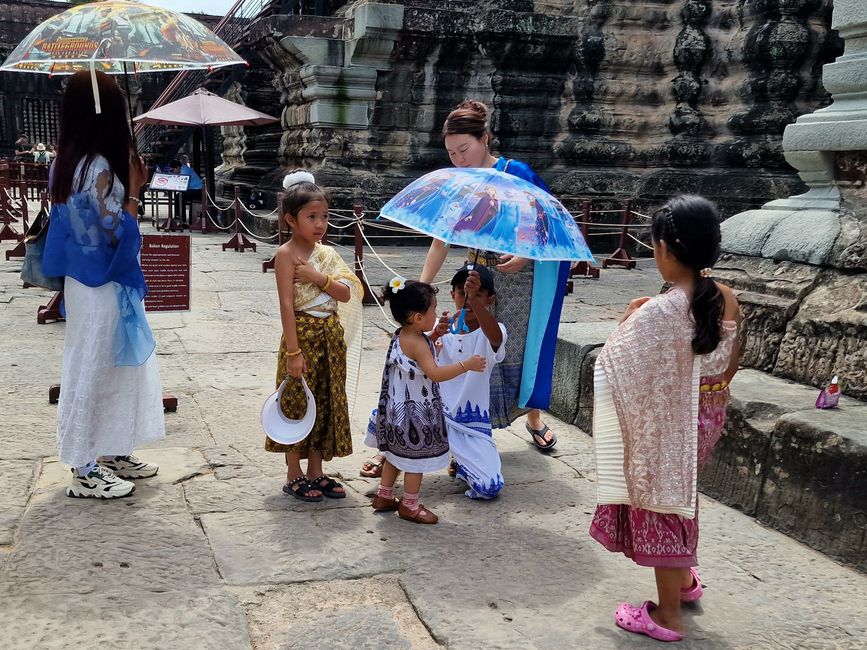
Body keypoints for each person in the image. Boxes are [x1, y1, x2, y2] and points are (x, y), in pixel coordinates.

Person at [359, 100, 566, 478]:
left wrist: (524, 255)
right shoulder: (461, 184)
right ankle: (466, 434)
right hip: (477, 279)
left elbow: (545, 220)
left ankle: (532, 419)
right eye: (451, 153)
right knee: (468, 346)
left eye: (464, 149)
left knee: (516, 347)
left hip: (520, 282)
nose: (458, 159)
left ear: (484, 138)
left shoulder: (515, 173)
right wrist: (420, 285)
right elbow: (441, 240)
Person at [588, 195, 741, 642]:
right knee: (683, 497)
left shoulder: (660, 311)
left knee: (660, 506)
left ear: (664, 250)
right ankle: (687, 581)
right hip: (707, 417)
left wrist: (629, 319)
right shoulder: (727, 297)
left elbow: (613, 363)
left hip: (669, 424)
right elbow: (727, 368)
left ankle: (667, 615)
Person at [42, 70, 164, 499]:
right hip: (105, 282)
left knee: (105, 361)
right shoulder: (99, 168)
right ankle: (84, 464)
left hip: (83, 280)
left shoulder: (65, 161)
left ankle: (109, 448)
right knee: (98, 365)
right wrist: (134, 191)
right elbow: (118, 236)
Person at [269, 170, 364, 501]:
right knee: (296, 401)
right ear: (291, 220)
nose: (320, 224)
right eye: (312, 217)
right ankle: (294, 473)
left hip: (330, 336)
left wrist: (315, 276)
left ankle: (316, 471)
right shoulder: (285, 254)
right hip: (302, 336)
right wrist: (293, 352)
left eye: (324, 216)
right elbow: (285, 304)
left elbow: (347, 293)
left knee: (325, 400)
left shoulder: (327, 255)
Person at [364, 279, 487, 524]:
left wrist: (436, 333)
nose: (435, 313)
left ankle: (384, 494)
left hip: (396, 411)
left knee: (394, 454)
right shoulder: (419, 343)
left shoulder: (404, 335)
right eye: (432, 310)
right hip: (416, 415)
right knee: (414, 460)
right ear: (418, 317)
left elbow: (418, 356)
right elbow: (435, 373)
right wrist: (467, 365)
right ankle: (410, 504)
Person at [435, 264, 507, 500]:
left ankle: (464, 464)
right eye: (461, 292)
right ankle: (389, 457)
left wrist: (474, 302)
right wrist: (433, 337)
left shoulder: (494, 331)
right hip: (433, 414)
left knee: (490, 487)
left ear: (490, 299)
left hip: (470, 425)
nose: (466, 299)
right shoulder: (440, 325)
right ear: (451, 294)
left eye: (478, 294)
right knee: (387, 412)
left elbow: (495, 338)